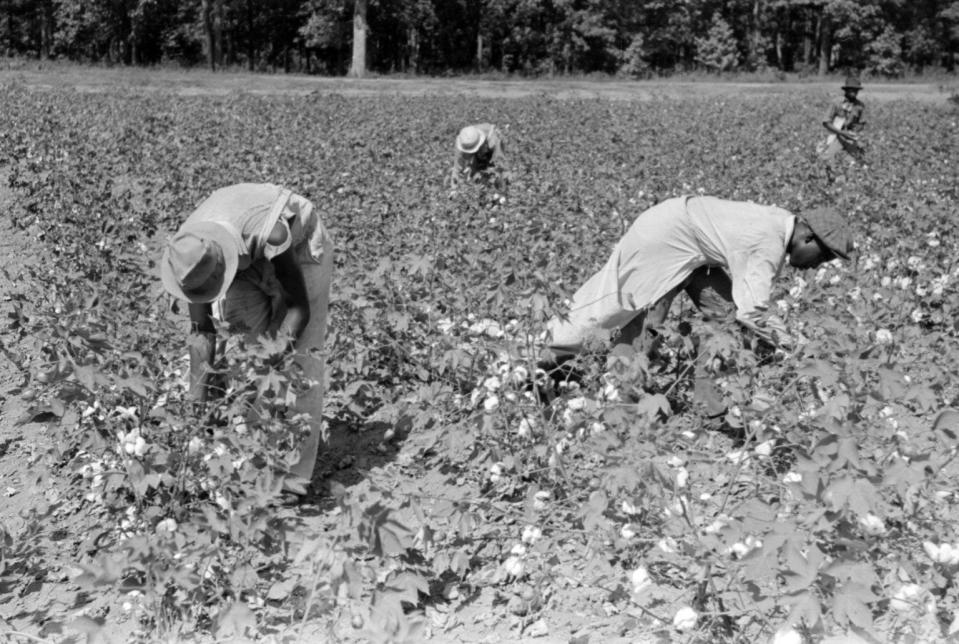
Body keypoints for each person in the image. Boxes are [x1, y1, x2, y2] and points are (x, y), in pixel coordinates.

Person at [540, 196, 852, 413]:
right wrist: (795, 345)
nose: (817, 267)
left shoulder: (780, 223)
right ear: (808, 237)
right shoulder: (769, 240)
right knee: (618, 312)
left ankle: (711, 408)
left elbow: (740, 311)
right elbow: (753, 311)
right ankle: (545, 363)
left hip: (691, 245)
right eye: (822, 258)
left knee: (725, 318)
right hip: (666, 239)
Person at [160, 183, 333, 488]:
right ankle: (255, 462)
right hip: (242, 258)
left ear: (220, 268)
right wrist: (194, 414)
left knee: (300, 364)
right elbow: (202, 333)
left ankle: (291, 479)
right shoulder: (188, 259)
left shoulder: (271, 234)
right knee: (241, 351)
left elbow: (298, 311)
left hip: (299, 249)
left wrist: (269, 361)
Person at [818, 75, 866, 181]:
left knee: (857, 162)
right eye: (852, 90)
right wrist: (842, 133)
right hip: (835, 135)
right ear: (846, 90)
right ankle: (830, 182)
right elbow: (826, 122)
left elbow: (862, 123)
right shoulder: (836, 102)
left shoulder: (860, 106)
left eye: (856, 90)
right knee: (828, 160)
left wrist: (856, 131)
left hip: (850, 136)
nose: (854, 92)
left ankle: (850, 184)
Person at [450, 123, 508, 188]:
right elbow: (457, 169)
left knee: (498, 171)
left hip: (491, 142)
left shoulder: (493, 139)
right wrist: (454, 189)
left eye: (472, 150)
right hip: (480, 148)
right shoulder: (463, 142)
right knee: (474, 174)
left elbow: (500, 163)